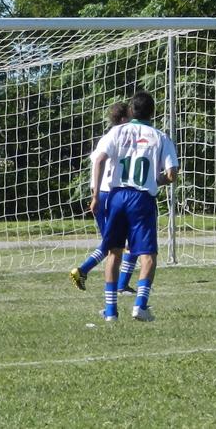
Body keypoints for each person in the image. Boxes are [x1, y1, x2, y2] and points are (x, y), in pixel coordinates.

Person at [90, 91, 179, 322]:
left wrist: (96, 195)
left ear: (132, 111)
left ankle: (110, 312)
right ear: (153, 112)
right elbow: (172, 174)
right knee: (148, 255)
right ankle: (140, 305)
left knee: (114, 253)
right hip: (141, 199)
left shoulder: (117, 131)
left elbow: (99, 159)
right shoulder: (160, 137)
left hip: (117, 195)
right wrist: (156, 180)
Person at [70, 102, 138, 294]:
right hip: (109, 194)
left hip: (111, 193)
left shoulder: (115, 138)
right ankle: (84, 271)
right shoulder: (115, 138)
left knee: (123, 243)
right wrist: (96, 195)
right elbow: (99, 162)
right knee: (117, 244)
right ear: (124, 119)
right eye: (131, 115)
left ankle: (120, 284)